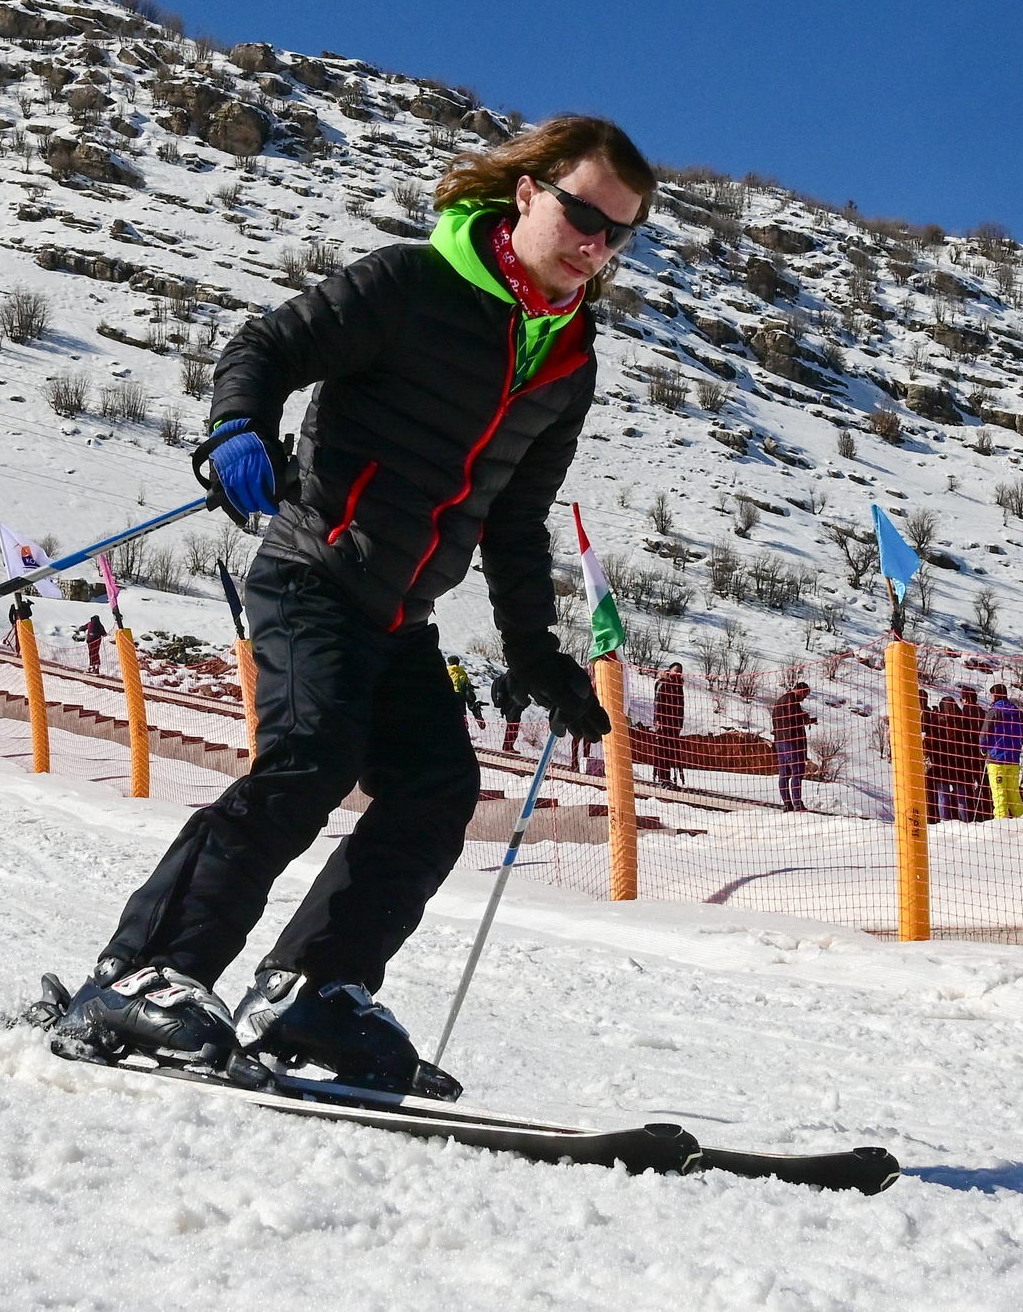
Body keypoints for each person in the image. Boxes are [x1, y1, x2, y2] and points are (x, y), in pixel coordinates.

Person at [41, 116, 649, 1095]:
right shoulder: (414, 283)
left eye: (619, 233)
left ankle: (311, 992)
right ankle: (141, 971)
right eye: (584, 215)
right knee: (310, 757)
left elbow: (515, 516)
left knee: (435, 789)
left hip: (400, 614)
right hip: (312, 572)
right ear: (528, 191)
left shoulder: (568, 358)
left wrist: (534, 651)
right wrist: (237, 425)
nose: (596, 245)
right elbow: (268, 344)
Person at [981, 683, 1023, 819]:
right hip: (1013, 759)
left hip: (996, 760)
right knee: (1014, 796)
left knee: (999, 796)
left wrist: (984, 750)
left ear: (994, 695)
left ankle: (1000, 823)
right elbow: (1022, 735)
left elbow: (984, 735)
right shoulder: (1018, 713)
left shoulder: (994, 712)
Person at [770, 680, 817, 812]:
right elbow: (794, 720)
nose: (804, 698)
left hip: (780, 741)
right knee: (797, 772)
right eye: (805, 695)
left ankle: (787, 804)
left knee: (784, 774)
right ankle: (797, 804)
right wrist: (807, 719)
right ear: (800, 691)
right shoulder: (792, 701)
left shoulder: (779, 701)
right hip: (792, 742)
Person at [957, 686, 990, 820]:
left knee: (968, 786)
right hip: (982, 753)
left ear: (965, 699)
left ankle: (970, 814)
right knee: (984, 783)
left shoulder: (963, 714)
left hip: (967, 754)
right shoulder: (983, 713)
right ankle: (986, 811)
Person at [652, 662, 686, 788]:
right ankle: (663, 778)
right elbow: (657, 703)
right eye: (676, 670)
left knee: (671, 751)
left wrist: (680, 723)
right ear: (670, 670)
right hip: (663, 723)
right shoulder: (662, 683)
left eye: (680, 671)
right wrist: (658, 720)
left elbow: (681, 705)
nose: (678, 673)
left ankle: (672, 778)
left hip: (674, 724)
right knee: (663, 751)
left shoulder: (679, 686)